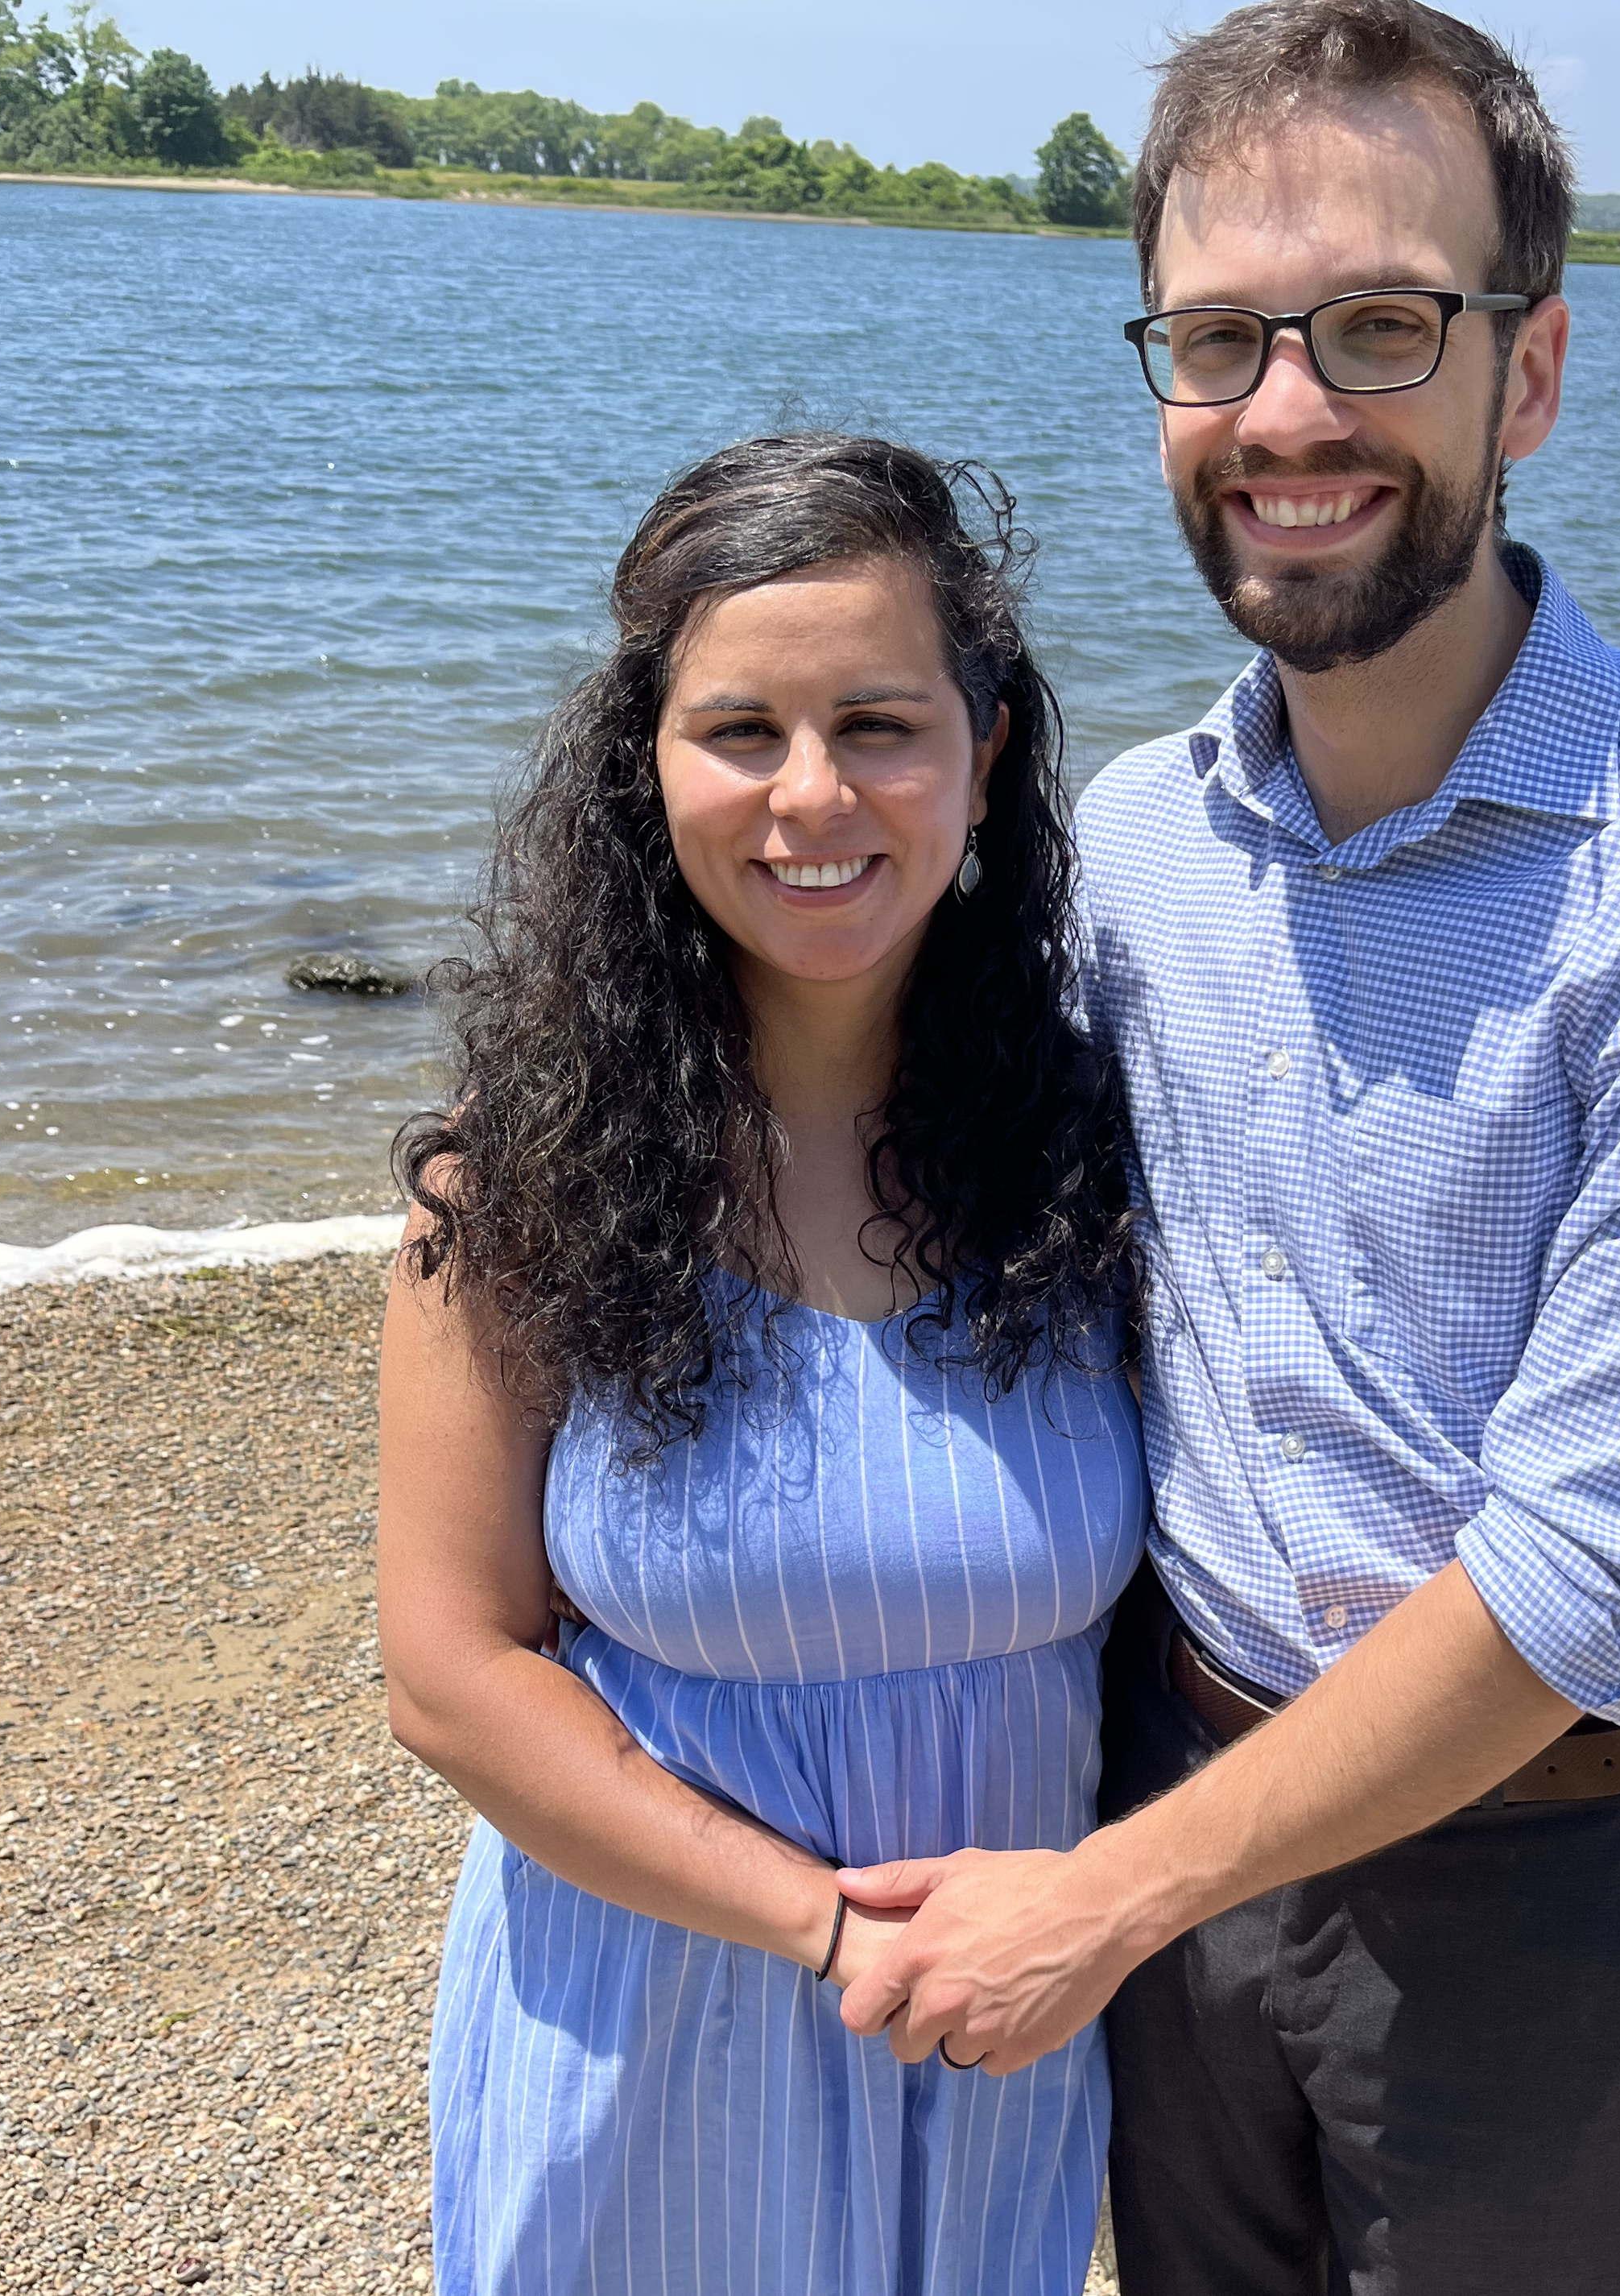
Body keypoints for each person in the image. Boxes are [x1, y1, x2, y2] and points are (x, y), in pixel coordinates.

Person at [833, 0, 1620, 2292]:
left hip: (1531, 1874)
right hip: (1160, 1742)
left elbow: (1587, 1558)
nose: (1287, 411)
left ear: (1532, 369)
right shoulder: (1136, 841)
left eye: (1381, 326)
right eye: (1219, 339)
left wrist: (1103, 1899)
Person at [376, 432, 1147, 2294]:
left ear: (987, 751)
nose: (813, 794)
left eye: (880, 723)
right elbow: (451, 1674)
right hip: (652, 2041)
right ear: (646, 766)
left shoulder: (1091, 1155)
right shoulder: (524, 1182)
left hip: (1001, 2042)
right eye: (740, 729)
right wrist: (826, 1927)